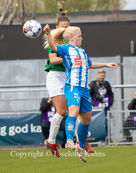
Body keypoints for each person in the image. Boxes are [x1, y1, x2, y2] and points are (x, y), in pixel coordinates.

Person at [44, 24, 118, 162]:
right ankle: (69, 140)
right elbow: (53, 48)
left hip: (84, 90)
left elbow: (89, 64)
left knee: (86, 119)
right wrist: (48, 34)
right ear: (72, 38)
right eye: (80, 36)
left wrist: (106, 64)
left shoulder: (82, 51)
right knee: (73, 111)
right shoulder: (66, 49)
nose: (82, 38)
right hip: (73, 87)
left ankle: (81, 145)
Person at [44, 3, 94, 157]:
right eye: (62, 26)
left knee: (76, 111)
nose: (65, 28)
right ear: (58, 27)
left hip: (69, 77)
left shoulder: (73, 45)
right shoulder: (56, 42)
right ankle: (51, 141)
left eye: (67, 26)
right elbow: (53, 60)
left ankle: (81, 141)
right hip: (55, 76)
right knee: (62, 111)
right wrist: (70, 59)